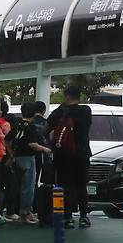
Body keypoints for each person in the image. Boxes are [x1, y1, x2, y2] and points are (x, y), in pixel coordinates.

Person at [44, 85, 92, 229]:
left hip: (63, 155)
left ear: (67, 96)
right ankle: (83, 217)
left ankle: (68, 218)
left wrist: (52, 144)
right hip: (82, 153)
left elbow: (45, 130)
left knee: (65, 186)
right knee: (81, 185)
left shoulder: (60, 112)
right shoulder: (86, 110)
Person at [6, 102, 53, 224]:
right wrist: (45, 149)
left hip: (16, 159)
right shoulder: (31, 126)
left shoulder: (16, 124)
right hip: (28, 158)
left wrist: (11, 155)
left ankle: (22, 211)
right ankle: (24, 214)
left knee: (17, 186)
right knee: (28, 187)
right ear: (33, 113)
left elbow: (7, 141)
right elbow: (32, 144)